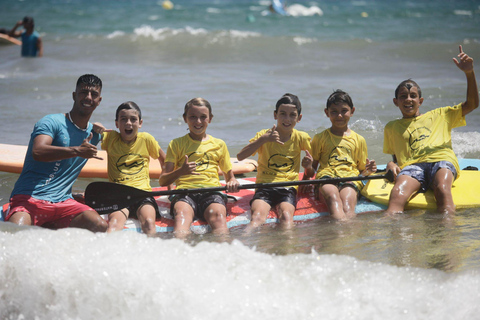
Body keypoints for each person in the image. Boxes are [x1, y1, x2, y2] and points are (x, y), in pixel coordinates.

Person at [384, 45, 478, 216]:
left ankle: (447, 235)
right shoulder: (391, 127)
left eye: (413, 96)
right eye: (403, 96)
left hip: (441, 161)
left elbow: (472, 105)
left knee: (441, 189)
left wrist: (469, 73)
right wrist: (391, 164)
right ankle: (392, 238)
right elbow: (397, 157)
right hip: (413, 167)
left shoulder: (441, 114)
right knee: (397, 194)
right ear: (395, 101)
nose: (408, 99)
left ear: (420, 101)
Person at [6, 74, 108, 232]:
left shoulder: (95, 134)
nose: (88, 97)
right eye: (83, 92)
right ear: (74, 95)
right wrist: (77, 151)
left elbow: (127, 144)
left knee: (100, 226)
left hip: (63, 203)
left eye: (94, 94)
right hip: (29, 199)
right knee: (16, 233)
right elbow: (38, 151)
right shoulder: (51, 122)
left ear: (99, 101)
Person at [159, 98, 239, 236]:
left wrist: (232, 182)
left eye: (203, 117)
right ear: (185, 118)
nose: (198, 122)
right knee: (181, 217)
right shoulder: (176, 144)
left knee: (219, 217)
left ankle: (225, 254)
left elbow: (230, 177)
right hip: (184, 193)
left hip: (212, 192)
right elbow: (163, 181)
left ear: (210, 118)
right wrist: (181, 171)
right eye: (193, 117)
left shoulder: (219, 144)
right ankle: (180, 252)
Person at [237, 93, 312, 232]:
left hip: (288, 187)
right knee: (258, 217)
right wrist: (263, 140)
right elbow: (240, 156)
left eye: (292, 115)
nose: (287, 119)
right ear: (275, 115)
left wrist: (307, 168)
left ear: (299, 118)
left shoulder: (302, 138)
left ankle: (288, 249)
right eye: (282, 114)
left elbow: (311, 171)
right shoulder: (264, 135)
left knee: (287, 217)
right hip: (265, 186)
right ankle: (243, 245)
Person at [302, 90, 376, 220]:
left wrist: (369, 170)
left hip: (350, 178)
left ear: (352, 111)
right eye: (334, 111)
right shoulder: (320, 138)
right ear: (327, 113)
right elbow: (311, 172)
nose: (339, 115)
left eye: (344, 111)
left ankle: (344, 234)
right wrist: (307, 169)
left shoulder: (359, 140)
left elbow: (360, 171)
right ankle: (341, 232)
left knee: (347, 205)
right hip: (326, 178)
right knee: (333, 198)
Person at [97, 101, 167, 235]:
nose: (128, 123)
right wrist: (96, 127)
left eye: (133, 119)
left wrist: (169, 186)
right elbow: (89, 133)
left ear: (140, 123)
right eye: (123, 119)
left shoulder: (146, 139)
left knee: (149, 222)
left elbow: (164, 160)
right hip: (119, 195)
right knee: (114, 224)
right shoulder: (110, 139)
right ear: (117, 124)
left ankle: (152, 254)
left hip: (142, 194)